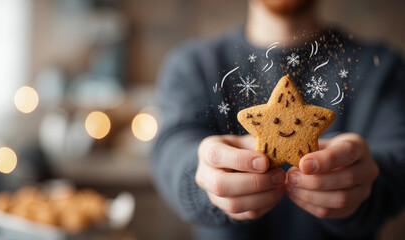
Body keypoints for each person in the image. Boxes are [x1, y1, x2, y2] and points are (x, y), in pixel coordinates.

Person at [152, 0, 405, 239]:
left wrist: (367, 184)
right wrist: (202, 175)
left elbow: (398, 156)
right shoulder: (193, 64)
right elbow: (173, 146)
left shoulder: (381, 67)